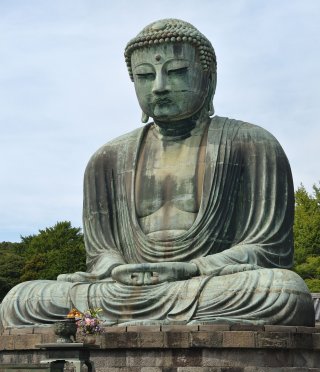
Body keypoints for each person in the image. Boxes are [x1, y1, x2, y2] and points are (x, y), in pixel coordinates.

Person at [0, 19, 315, 327]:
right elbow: (101, 255)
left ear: (210, 78)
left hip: (206, 284)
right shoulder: (107, 159)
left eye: (176, 72)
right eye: (145, 76)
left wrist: (191, 269)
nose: (160, 87)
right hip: (123, 289)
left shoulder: (252, 144)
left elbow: (268, 250)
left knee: (282, 292)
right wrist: (118, 270)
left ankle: (115, 320)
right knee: (21, 300)